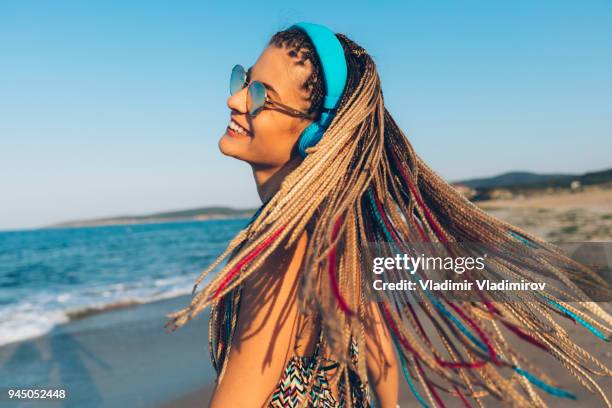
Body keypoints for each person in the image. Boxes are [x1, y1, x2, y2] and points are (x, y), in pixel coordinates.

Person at [167, 22, 612, 407]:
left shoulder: (281, 250)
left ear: (315, 135)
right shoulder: (337, 231)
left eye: (262, 95)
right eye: (245, 80)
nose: (236, 100)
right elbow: (376, 339)